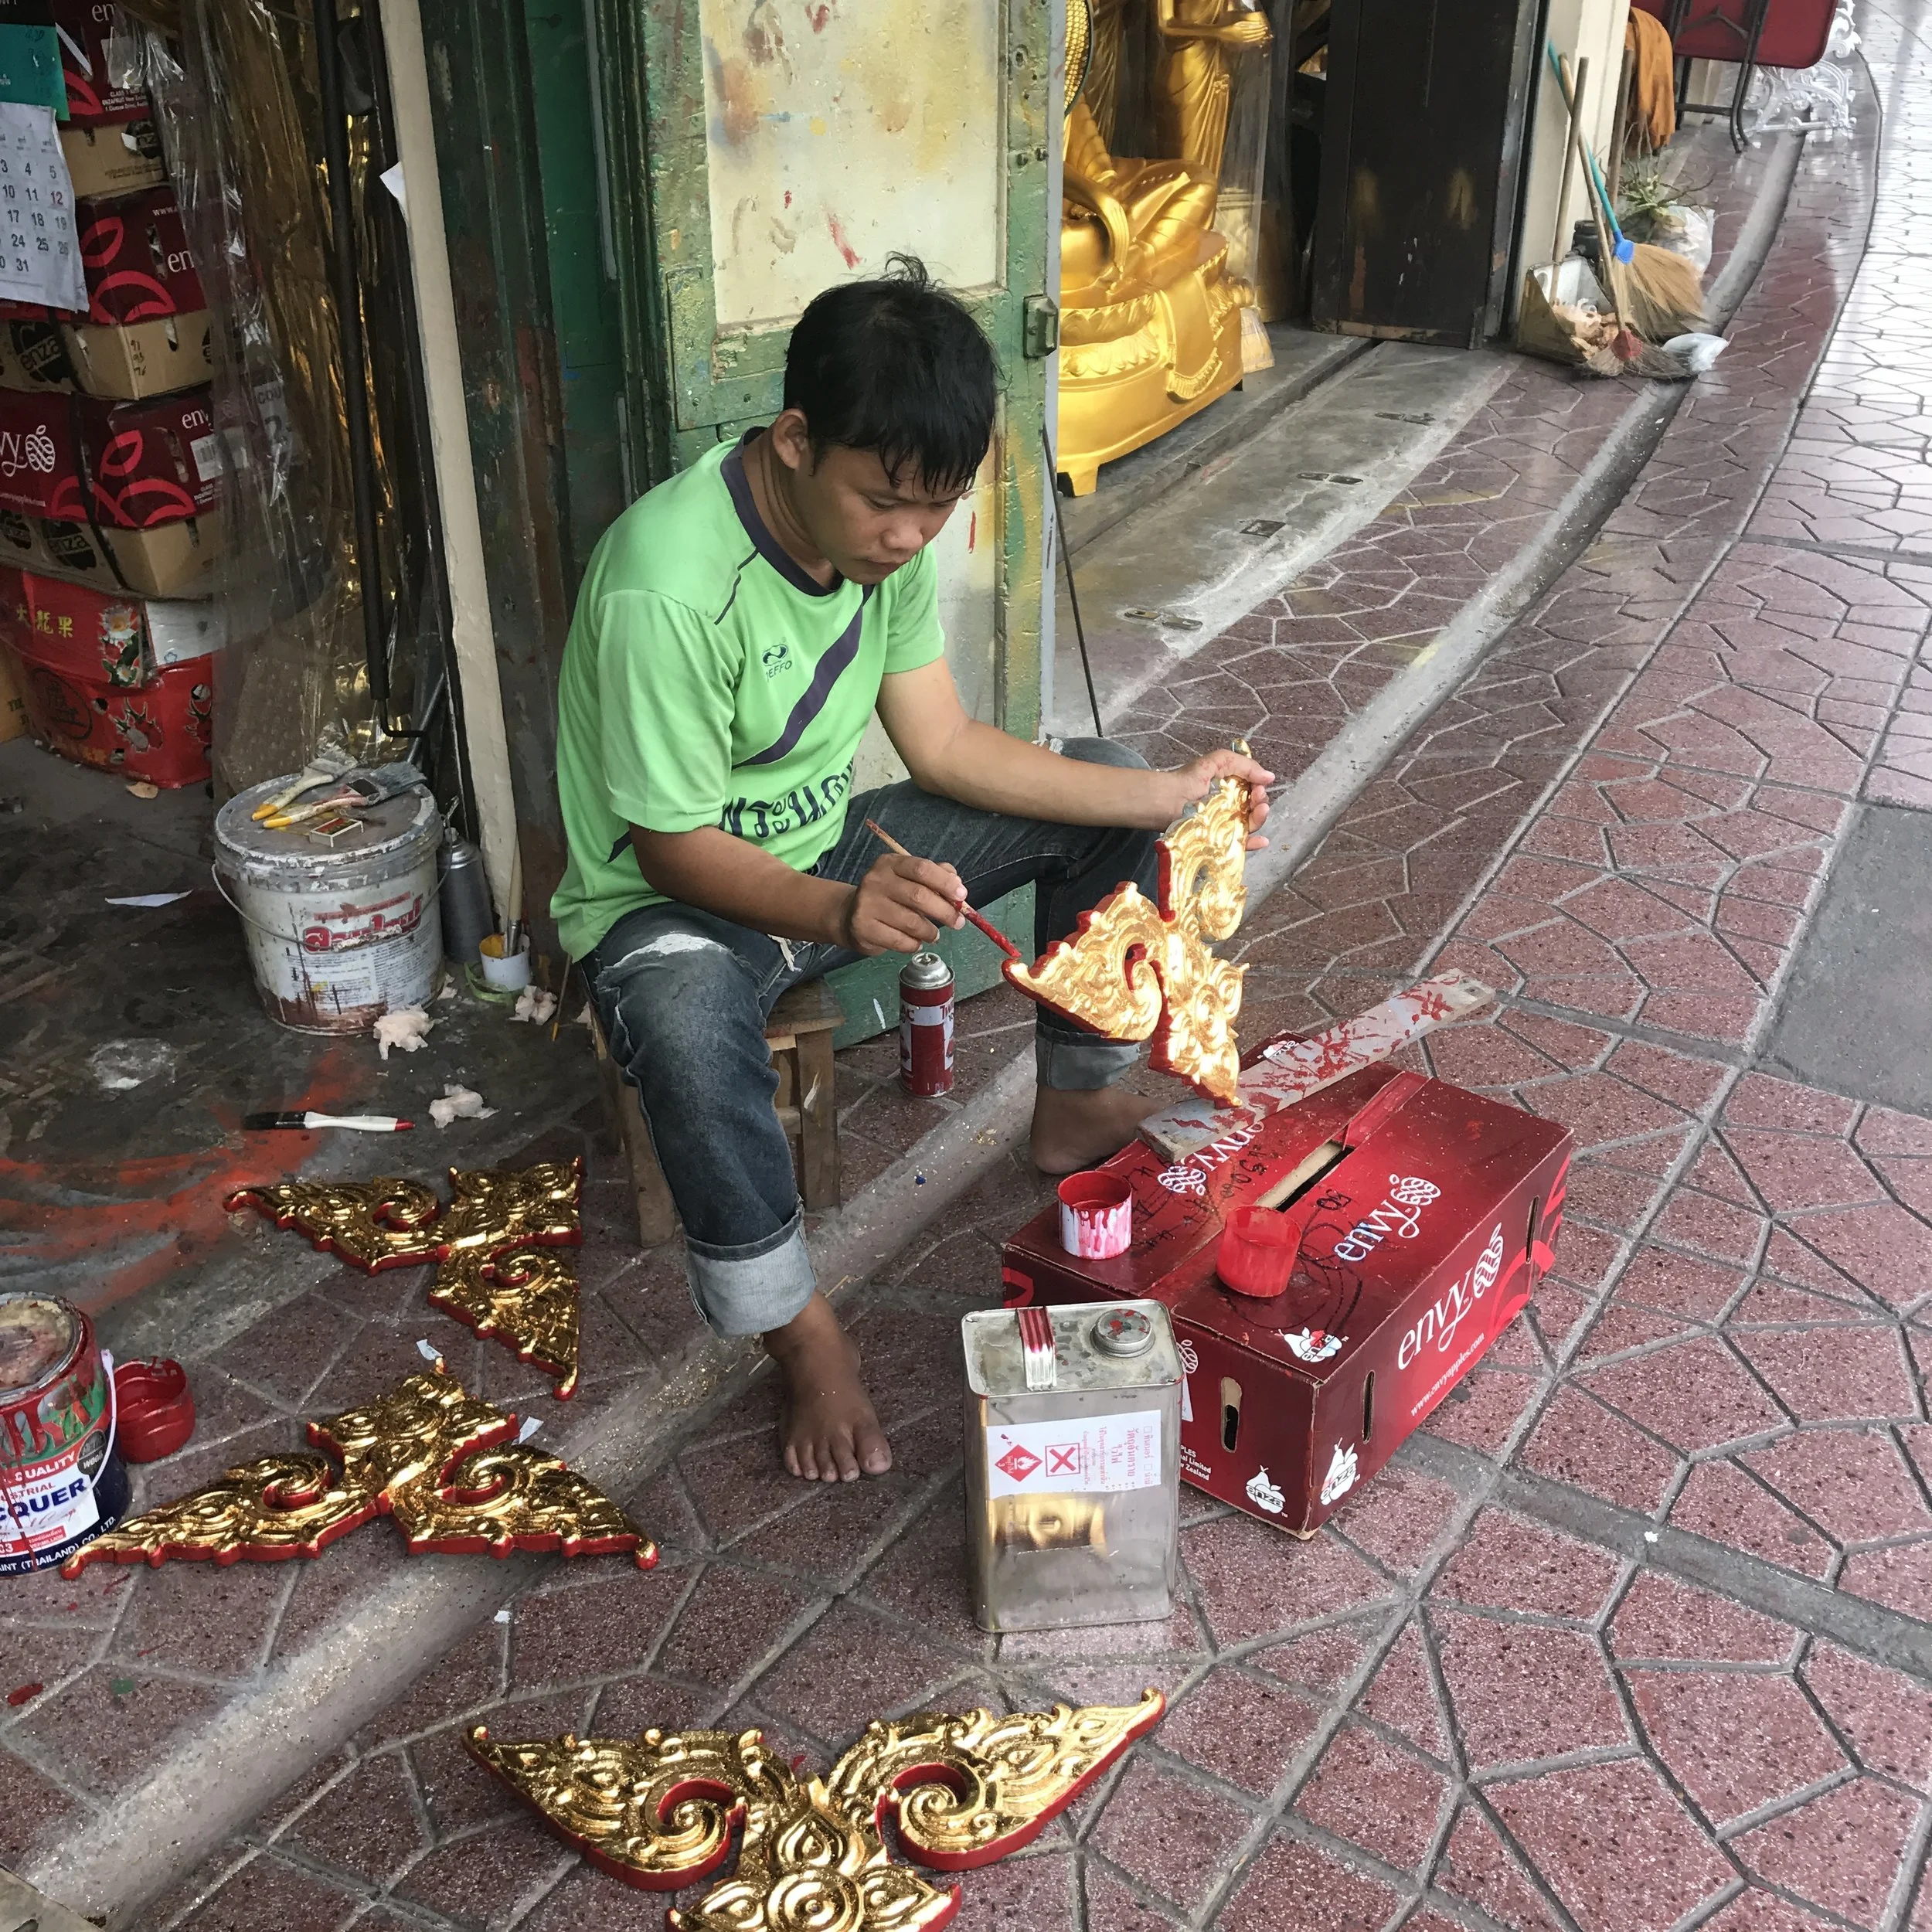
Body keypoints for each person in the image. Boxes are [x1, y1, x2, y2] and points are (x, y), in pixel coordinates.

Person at [551, 257, 1270, 1485]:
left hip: (828, 848)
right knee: (680, 1021)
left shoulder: (883, 545)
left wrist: (1168, 795)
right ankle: (799, 1333)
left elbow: (943, 745)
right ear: (794, 441)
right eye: (884, 502)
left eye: (935, 511)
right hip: (668, 902)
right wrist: (841, 909)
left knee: (1106, 785)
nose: (908, 536)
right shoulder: (666, 588)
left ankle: (1075, 1103)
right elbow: (673, 847)